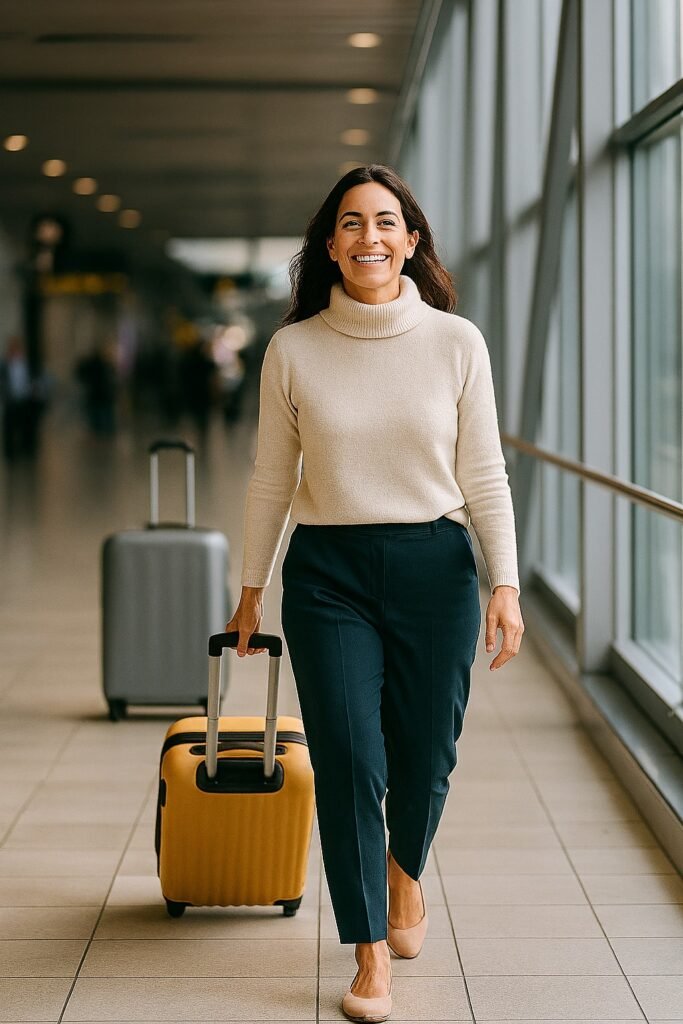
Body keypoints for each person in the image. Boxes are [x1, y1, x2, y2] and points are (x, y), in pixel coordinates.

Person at [226, 164, 524, 1023]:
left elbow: (483, 476)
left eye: (385, 222)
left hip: (435, 566)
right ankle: (366, 956)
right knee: (352, 760)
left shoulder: (455, 342)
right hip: (328, 576)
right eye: (351, 223)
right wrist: (250, 590)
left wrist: (502, 583)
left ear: (411, 240)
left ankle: (404, 876)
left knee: (424, 756)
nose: (369, 237)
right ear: (330, 245)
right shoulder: (294, 349)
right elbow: (269, 481)